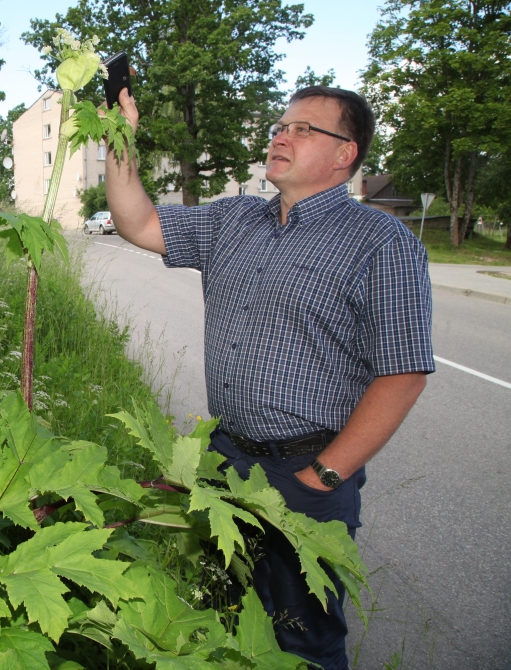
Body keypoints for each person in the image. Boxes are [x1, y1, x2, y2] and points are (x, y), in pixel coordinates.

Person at [104, 85, 433, 669]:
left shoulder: (382, 244)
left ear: (345, 154)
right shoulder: (233, 219)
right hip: (226, 463)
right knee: (228, 623)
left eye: (305, 129)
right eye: (282, 125)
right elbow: (139, 221)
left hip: (306, 475)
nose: (281, 135)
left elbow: (403, 374)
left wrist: (322, 476)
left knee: (305, 642)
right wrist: (119, 137)